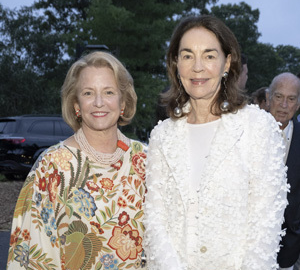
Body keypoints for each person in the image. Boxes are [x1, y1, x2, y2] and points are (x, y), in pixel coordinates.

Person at [144, 15, 288, 270]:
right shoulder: (162, 136)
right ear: (176, 63)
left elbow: (264, 227)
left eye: (209, 55)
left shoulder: (258, 127)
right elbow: (155, 221)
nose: (197, 67)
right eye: (187, 55)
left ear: (227, 62)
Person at [6, 51, 147, 269]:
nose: (99, 102)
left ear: (123, 103)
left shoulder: (146, 160)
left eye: (108, 92)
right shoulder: (52, 166)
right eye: (88, 93)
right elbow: (31, 252)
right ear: (76, 105)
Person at [266, 73, 300, 270]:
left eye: (291, 99)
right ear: (269, 98)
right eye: (279, 97)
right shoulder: (247, 133)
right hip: (246, 246)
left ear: (298, 104)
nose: (284, 105)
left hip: (289, 250)